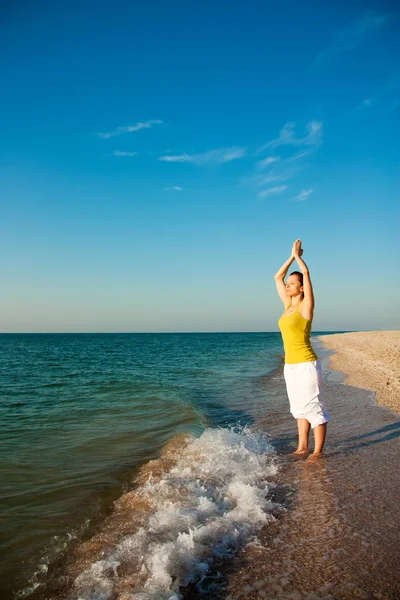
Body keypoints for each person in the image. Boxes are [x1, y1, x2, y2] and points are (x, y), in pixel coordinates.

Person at [275, 239, 329, 456]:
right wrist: (290, 256)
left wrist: (299, 257)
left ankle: (317, 452)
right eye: (288, 283)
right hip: (290, 366)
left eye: (292, 283)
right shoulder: (287, 305)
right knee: (298, 409)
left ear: (302, 288)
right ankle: (302, 447)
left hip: (307, 364)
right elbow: (277, 277)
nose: (287, 285)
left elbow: (307, 274)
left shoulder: (306, 307)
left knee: (313, 407)